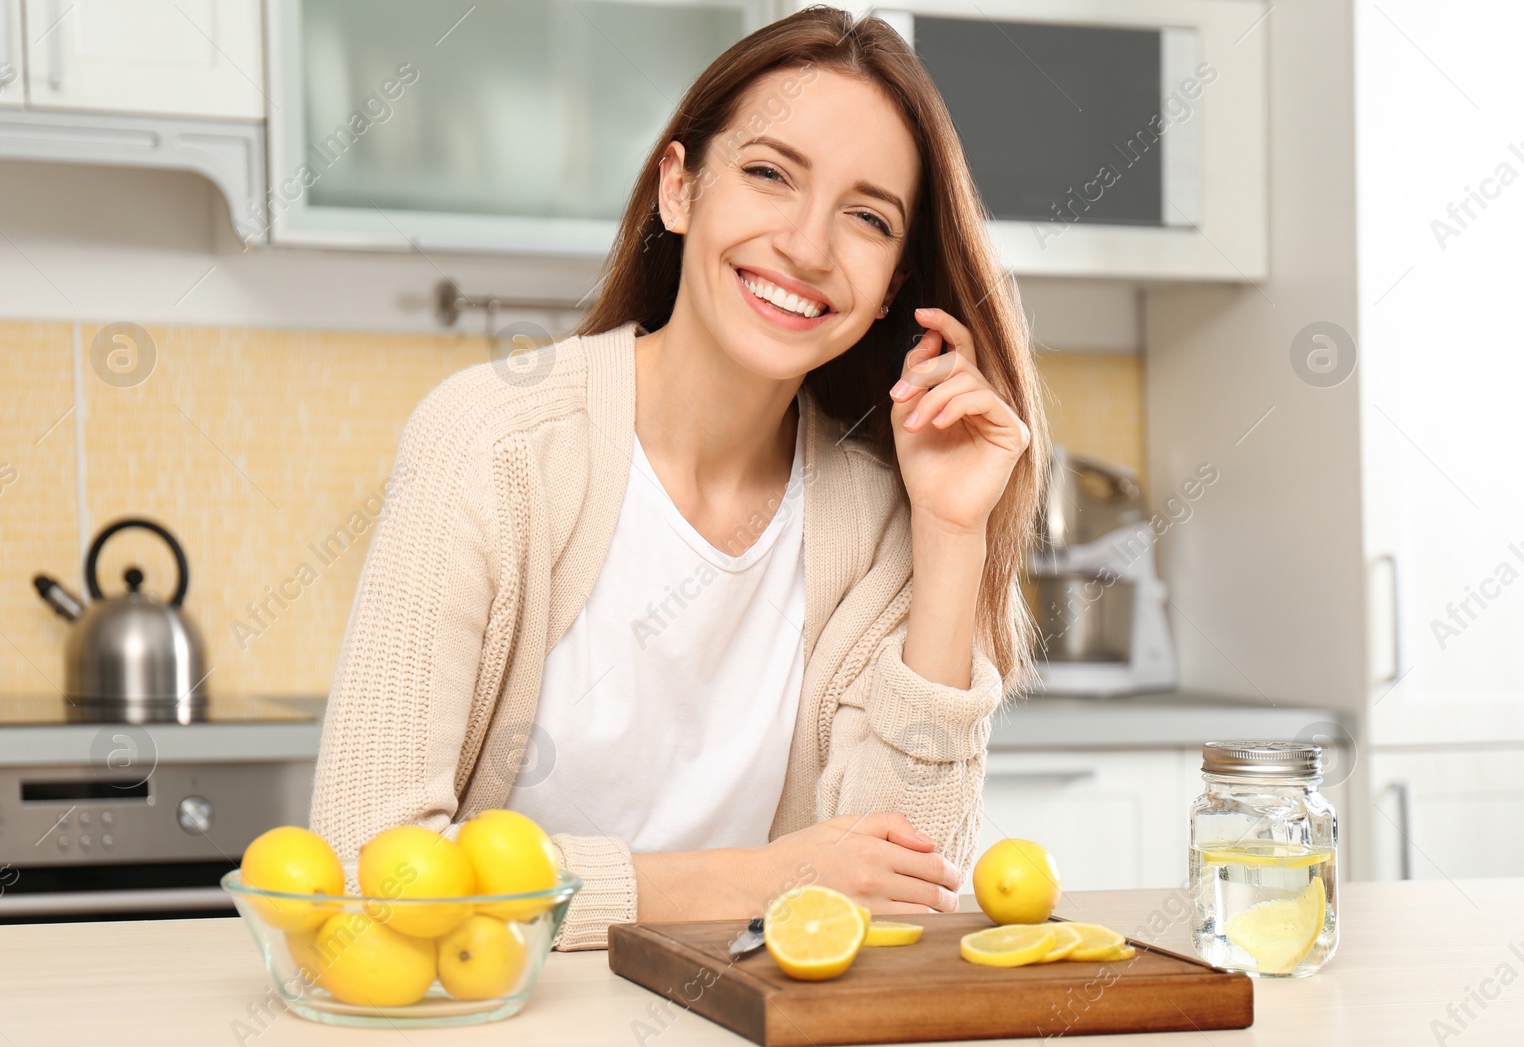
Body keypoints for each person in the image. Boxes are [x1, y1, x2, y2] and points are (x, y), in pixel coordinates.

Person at [310, 5, 1049, 950]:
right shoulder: (492, 444)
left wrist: (951, 535)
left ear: (895, 288)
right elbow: (364, 866)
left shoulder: (877, 518)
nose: (809, 246)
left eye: (867, 217)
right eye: (769, 174)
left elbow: (902, 885)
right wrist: (763, 880)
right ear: (680, 189)